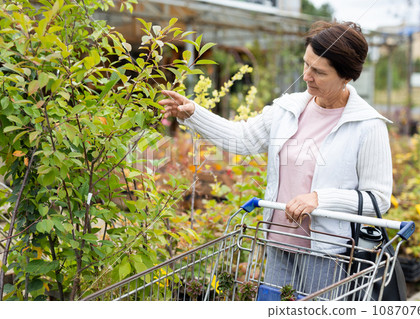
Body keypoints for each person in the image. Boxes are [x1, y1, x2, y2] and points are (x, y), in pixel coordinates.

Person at [159, 21, 393, 296]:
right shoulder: (288, 108)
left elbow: (379, 198)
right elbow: (243, 138)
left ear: (346, 77)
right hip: (278, 241)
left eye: (318, 72)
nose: (306, 76)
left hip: (327, 252)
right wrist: (194, 114)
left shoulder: (367, 126)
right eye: (306, 64)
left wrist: (319, 199)